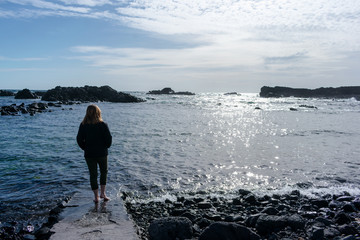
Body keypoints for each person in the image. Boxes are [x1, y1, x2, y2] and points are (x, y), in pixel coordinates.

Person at [77, 104, 112, 203]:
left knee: (93, 174)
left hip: (89, 154)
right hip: (102, 153)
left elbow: (79, 139)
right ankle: (103, 194)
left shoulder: (83, 125)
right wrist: (106, 147)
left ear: (87, 113)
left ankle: (96, 197)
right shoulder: (103, 125)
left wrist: (85, 148)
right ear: (98, 113)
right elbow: (109, 139)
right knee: (103, 172)